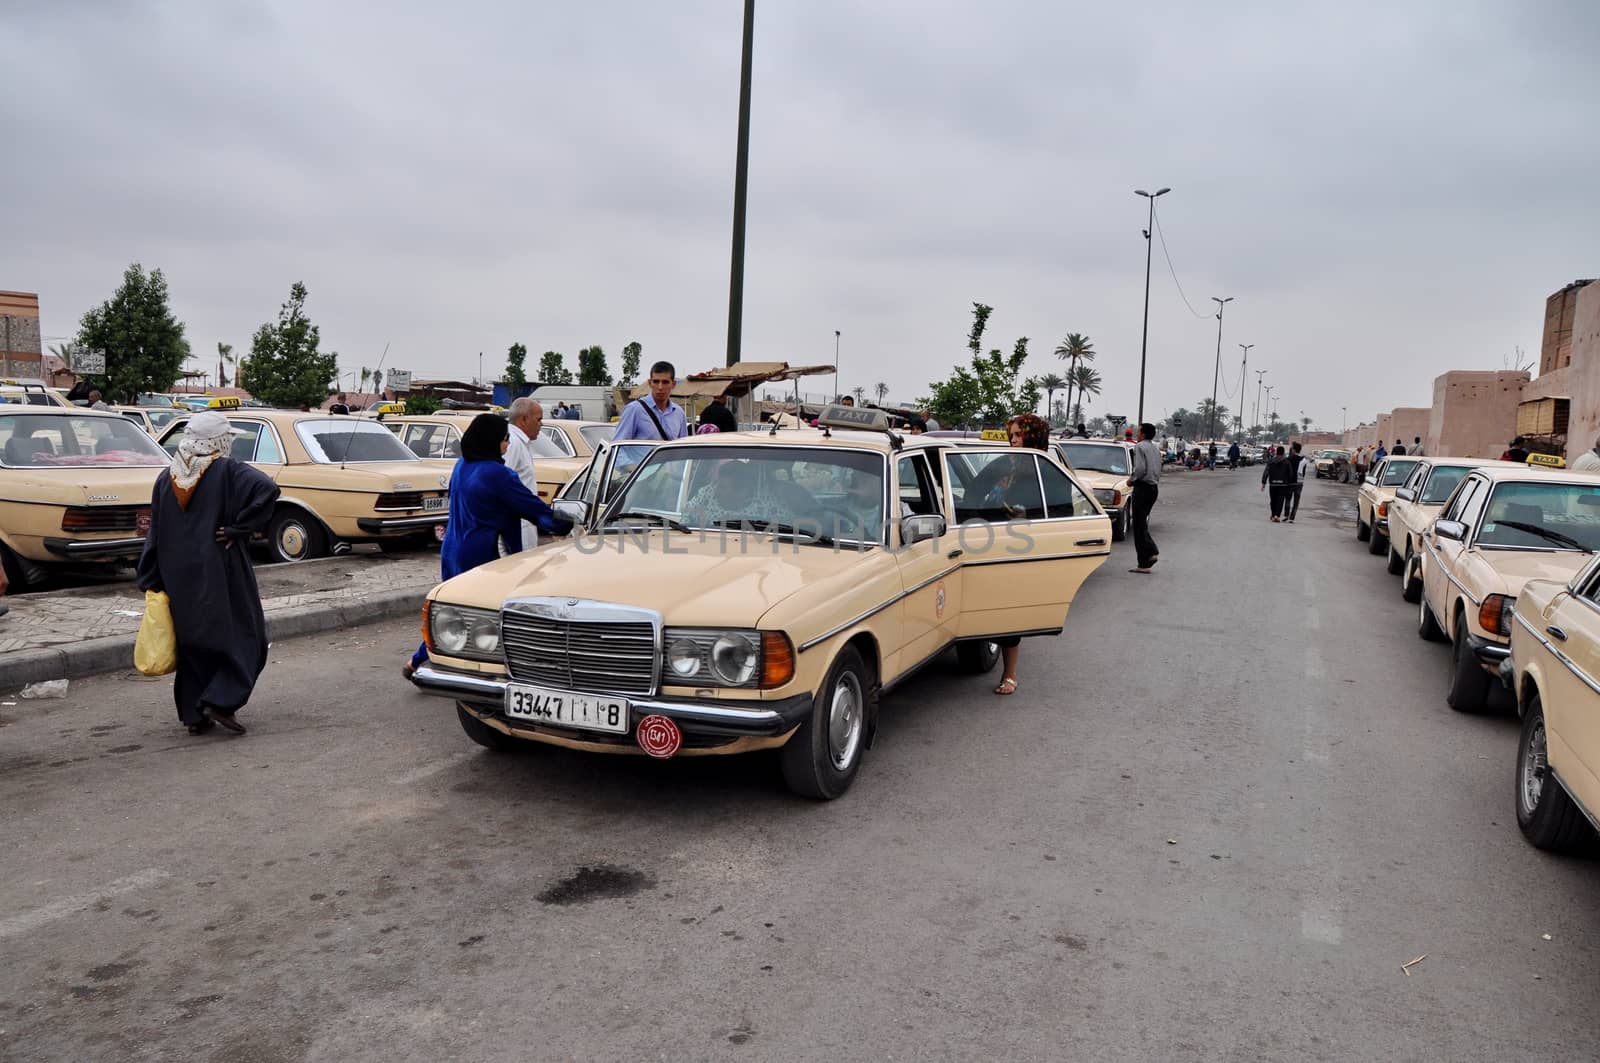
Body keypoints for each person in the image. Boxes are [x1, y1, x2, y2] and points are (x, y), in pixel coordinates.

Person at [135, 412, 281, 736]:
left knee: (193, 643)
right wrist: (238, 529)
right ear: (220, 441)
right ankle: (220, 700)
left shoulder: (166, 477)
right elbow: (267, 489)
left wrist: (151, 576)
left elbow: (155, 532)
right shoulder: (227, 470)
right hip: (221, 568)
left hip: (178, 573)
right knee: (247, 635)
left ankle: (194, 714)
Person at [407, 414, 573, 678]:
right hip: (486, 556)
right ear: (492, 441)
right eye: (504, 439)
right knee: (490, 615)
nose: (507, 445)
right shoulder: (498, 474)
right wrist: (566, 523)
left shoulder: (462, 465)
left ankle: (418, 660)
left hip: (453, 549)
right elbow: (535, 511)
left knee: (454, 611)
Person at [992, 413, 1052, 696]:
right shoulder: (1011, 466)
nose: (1013, 441)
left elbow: (1063, 510)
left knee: (1009, 615)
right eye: (1011, 435)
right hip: (997, 543)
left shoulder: (1046, 469)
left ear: (1033, 437)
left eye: (1019, 435)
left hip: (1026, 549)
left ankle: (1010, 674)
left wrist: (1029, 515)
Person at [505, 397, 545, 550]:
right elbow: (502, 484)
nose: (541, 424)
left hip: (524, 523)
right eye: (538, 419)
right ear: (523, 420)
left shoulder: (521, 442)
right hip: (516, 526)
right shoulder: (512, 443)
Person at [613, 361, 689, 441]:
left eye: (665, 382)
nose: (660, 387)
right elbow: (619, 444)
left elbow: (683, 446)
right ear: (650, 383)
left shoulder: (679, 413)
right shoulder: (634, 410)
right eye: (656, 382)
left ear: (673, 384)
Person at [1130, 421, 1161, 575]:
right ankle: (1146, 560)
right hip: (1153, 488)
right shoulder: (1155, 448)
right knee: (1141, 523)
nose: (1137, 434)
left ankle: (1150, 553)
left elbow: (1140, 469)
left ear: (1143, 434)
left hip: (1142, 488)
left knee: (1139, 524)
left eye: (1138, 431)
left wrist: (1132, 479)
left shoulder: (1140, 446)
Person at [1261, 445, 1294, 522]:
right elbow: (1290, 474)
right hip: (1283, 485)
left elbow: (1266, 472)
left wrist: (1263, 483)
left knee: (1273, 500)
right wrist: (1289, 483)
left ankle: (1273, 515)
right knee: (1280, 500)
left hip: (1273, 484)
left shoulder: (1271, 461)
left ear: (1276, 452)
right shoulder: (1287, 462)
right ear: (1283, 453)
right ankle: (1277, 515)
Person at [1284, 442, 1311, 523]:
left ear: (1293, 449)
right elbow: (1304, 470)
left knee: (1288, 499)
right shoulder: (1303, 459)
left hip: (1290, 482)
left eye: (1292, 448)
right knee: (1296, 500)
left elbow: (1286, 471)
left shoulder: (1289, 459)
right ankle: (1292, 518)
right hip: (1299, 482)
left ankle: (1286, 515)